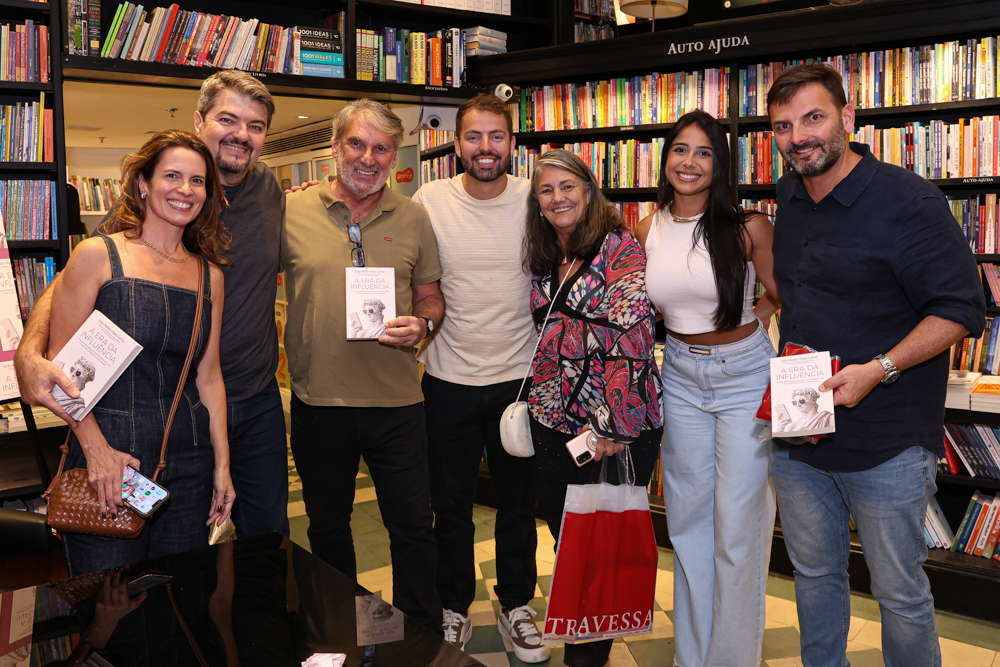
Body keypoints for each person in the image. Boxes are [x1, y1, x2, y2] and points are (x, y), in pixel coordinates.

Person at [766, 63, 986, 666]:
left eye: (814, 117)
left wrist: (879, 368)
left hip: (887, 440)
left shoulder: (908, 200)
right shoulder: (788, 196)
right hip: (802, 434)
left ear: (849, 118)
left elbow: (963, 309)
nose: (799, 136)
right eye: (783, 126)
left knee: (899, 593)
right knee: (812, 578)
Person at [15, 71, 290, 540]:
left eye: (256, 125)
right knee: (169, 549)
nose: (241, 135)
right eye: (228, 119)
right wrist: (30, 351)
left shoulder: (274, 193)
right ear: (200, 120)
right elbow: (75, 278)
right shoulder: (156, 199)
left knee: (267, 540)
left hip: (255, 397)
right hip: (175, 406)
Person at [282, 99, 445, 632]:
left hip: (398, 404)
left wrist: (422, 325)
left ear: (393, 154)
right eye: (357, 143)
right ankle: (340, 628)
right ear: (335, 147)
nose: (368, 158)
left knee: (414, 527)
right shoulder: (291, 211)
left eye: (381, 148)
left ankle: (419, 635)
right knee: (328, 528)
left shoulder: (414, 215)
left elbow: (430, 297)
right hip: (318, 403)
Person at [48, 130, 235, 576]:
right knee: (110, 605)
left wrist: (222, 466)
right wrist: (95, 451)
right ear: (143, 184)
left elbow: (208, 377)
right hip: (110, 461)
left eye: (197, 181)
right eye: (172, 175)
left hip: (189, 465)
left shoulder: (211, 276)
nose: (185, 190)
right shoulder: (98, 256)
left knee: (180, 601)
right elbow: (58, 368)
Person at [633, 110, 780, 667]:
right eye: (679, 150)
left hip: (744, 376)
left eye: (703, 153)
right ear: (665, 158)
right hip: (680, 375)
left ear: (720, 166)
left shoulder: (748, 227)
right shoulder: (647, 229)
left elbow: (783, 292)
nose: (689, 162)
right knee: (689, 522)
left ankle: (733, 659)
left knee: (739, 527)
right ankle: (691, 658)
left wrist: (751, 327)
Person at [411, 93, 545, 660]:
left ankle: (517, 605)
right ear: (457, 144)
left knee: (518, 505)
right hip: (447, 379)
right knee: (452, 506)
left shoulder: (538, 196)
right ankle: (453, 607)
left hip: (521, 379)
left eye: (497, 137)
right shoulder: (429, 200)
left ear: (513, 143)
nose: (485, 148)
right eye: (474, 137)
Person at [524, 149, 663, 667]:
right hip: (554, 418)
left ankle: (587, 657)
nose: (557, 197)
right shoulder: (544, 254)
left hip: (613, 420)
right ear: (537, 202)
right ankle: (583, 637)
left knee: (601, 543)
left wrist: (608, 425)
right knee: (570, 537)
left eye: (568, 186)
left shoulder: (619, 246)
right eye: (546, 190)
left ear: (588, 190)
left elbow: (634, 337)